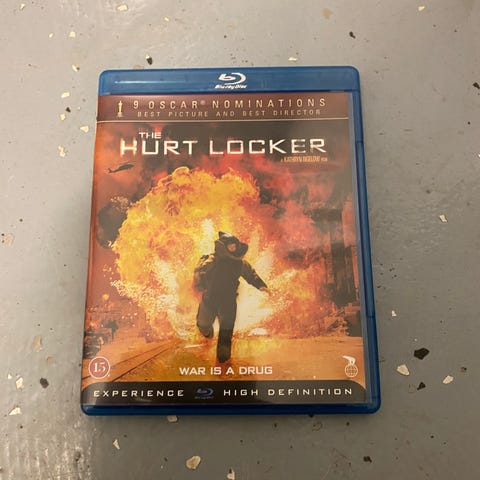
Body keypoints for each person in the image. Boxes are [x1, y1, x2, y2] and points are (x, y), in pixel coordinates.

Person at [194, 231, 268, 363]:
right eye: (231, 246)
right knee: (203, 324)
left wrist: (261, 285)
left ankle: (223, 361)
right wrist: (200, 282)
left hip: (228, 302)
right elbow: (200, 271)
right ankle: (207, 333)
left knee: (226, 332)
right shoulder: (212, 259)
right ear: (223, 247)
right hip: (210, 299)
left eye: (235, 246)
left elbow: (251, 274)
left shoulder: (240, 264)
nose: (234, 248)